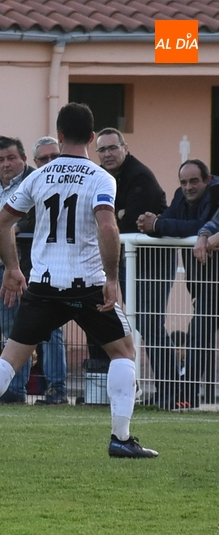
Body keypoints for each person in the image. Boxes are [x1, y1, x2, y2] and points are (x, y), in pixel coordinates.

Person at [0, 102, 158, 459]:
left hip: (44, 284)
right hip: (88, 284)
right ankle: (120, 438)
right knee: (123, 351)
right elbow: (108, 225)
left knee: (10, 357)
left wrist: (13, 269)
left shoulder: (38, 176)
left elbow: (1, 224)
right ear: (93, 138)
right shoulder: (100, 177)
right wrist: (112, 278)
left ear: (59, 136)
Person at [0, 136, 66, 405]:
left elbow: (39, 219)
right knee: (12, 331)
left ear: (24, 160)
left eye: (11, 158)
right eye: (1, 159)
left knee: (49, 329)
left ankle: (57, 389)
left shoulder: (36, 182)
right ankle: (15, 389)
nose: (6, 164)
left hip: (37, 269)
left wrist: (15, 229)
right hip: (3, 268)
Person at [95, 127, 171, 407]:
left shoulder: (139, 176)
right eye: (102, 150)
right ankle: (120, 390)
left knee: (150, 325)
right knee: (116, 322)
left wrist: (116, 218)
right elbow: (116, 220)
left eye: (113, 148)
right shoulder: (106, 176)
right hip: (124, 262)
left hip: (151, 263)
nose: (107, 154)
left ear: (125, 147)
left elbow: (127, 224)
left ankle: (170, 391)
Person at [141, 159, 219, 408]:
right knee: (199, 334)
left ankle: (185, 394)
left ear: (207, 180)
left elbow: (200, 226)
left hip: (212, 281)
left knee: (199, 333)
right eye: (184, 182)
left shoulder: (216, 192)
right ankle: (185, 395)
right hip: (205, 281)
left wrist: (159, 224)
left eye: (194, 181)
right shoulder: (180, 196)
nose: (188, 187)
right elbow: (170, 224)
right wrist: (152, 223)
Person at [29, 136, 69, 405]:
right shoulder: (33, 184)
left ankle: (59, 388)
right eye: (43, 159)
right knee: (31, 331)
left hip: (79, 273)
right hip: (40, 271)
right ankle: (23, 387)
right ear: (35, 163)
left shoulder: (79, 181)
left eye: (55, 156)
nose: (50, 163)